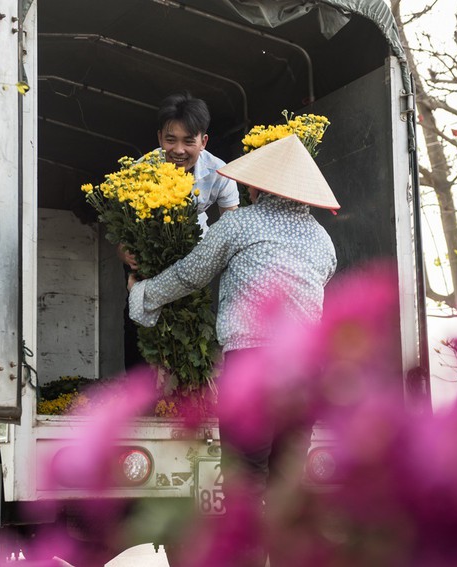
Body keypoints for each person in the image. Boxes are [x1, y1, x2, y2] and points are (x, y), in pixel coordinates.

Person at [127, 133, 339, 566]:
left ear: (260, 187)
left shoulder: (240, 224)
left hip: (256, 367)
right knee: (286, 487)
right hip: (307, 376)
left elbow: (191, 274)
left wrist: (142, 293)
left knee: (246, 483)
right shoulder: (324, 243)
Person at [121, 92, 239, 369]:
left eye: (189, 141)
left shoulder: (220, 171)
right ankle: (141, 391)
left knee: (193, 315)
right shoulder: (141, 171)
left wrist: (213, 262)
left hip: (197, 247)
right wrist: (127, 257)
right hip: (148, 247)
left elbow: (231, 225)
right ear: (160, 137)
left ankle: (190, 389)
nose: (179, 150)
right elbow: (124, 233)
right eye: (171, 139)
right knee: (137, 314)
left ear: (203, 141)